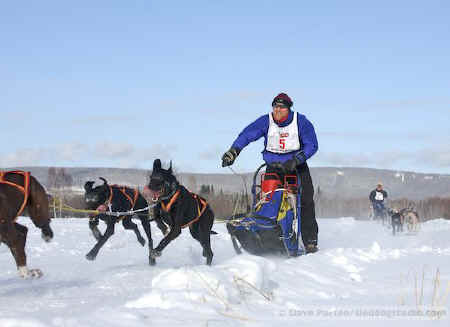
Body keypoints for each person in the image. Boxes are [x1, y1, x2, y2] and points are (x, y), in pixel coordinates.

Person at [221, 92, 319, 253]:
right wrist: (234, 151)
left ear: (289, 109)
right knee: (268, 201)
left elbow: (312, 145)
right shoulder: (265, 121)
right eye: (275, 106)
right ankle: (266, 234)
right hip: (274, 167)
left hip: (296, 166)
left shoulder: (301, 122)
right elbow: (247, 135)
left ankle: (310, 241)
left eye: (282, 107)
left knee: (305, 201)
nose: (278, 110)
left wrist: (296, 160)